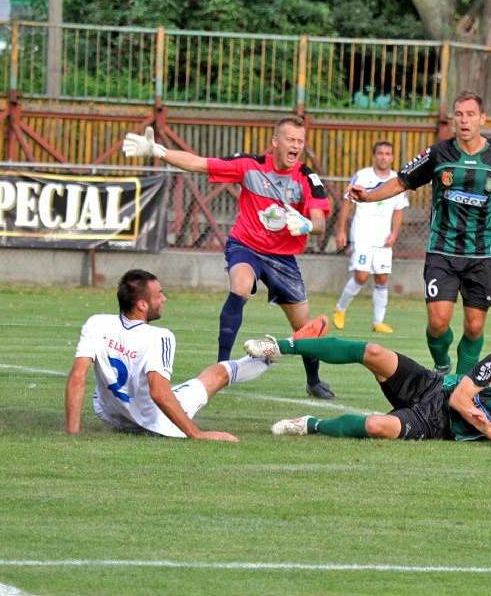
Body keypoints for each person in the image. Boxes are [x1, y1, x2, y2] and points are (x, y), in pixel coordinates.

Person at [122, 117, 337, 400]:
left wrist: (309, 225)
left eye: (300, 141)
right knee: (240, 286)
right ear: (275, 142)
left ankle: (313, 380)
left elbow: (320, 221)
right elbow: (200, 163)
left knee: (304, 327)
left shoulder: (307, 178)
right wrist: (158, 151)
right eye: (290, 140)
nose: (296, 145)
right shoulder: (249, 166)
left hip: (283, 259)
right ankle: (220, 366)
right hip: (245, 245)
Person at [346, 90, 491, 375]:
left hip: (483, 253)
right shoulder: (438, 153)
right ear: (453, 120)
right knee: (438, 322)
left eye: (470, 114)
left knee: (474, 325)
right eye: (459, 114)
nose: (464, 120)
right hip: (443, 251)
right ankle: (443, 365)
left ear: (482, 118)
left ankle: (461, 382)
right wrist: (369, 195)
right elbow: (401, 181)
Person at [64, 269, 328, 440]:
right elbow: (158, 392)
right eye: (159, 295)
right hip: (156, 423)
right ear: (142, 305)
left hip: (113, 415)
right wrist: (196, 434)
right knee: (221, 372)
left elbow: (78, 376)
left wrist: (72, 433)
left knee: (201, 377)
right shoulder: (160, 336)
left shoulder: (96, 323)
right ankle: (281, 348)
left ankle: (278, 348)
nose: (164, 299)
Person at [244, 331, 491, 447]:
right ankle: (281, 347)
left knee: (376, 425)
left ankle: (309, 425)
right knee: (373, 351)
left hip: (436, 424)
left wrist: (485, 425)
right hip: (433, 385)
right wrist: (485, 423)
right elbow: (461, 396)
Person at [332, 141, 409, 334]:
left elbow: (399, 209)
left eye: (387, 153)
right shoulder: (363, 175)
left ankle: (378, 322)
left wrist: (394, 233)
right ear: (374, 155)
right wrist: (340, 230)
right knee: (361, 276)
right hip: (362, 235)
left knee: (382, 279)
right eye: (380, 153)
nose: (384, 157)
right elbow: (347, 203)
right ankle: (340, 309)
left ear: (392, 157)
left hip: (383, 238)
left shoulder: (397, 179)